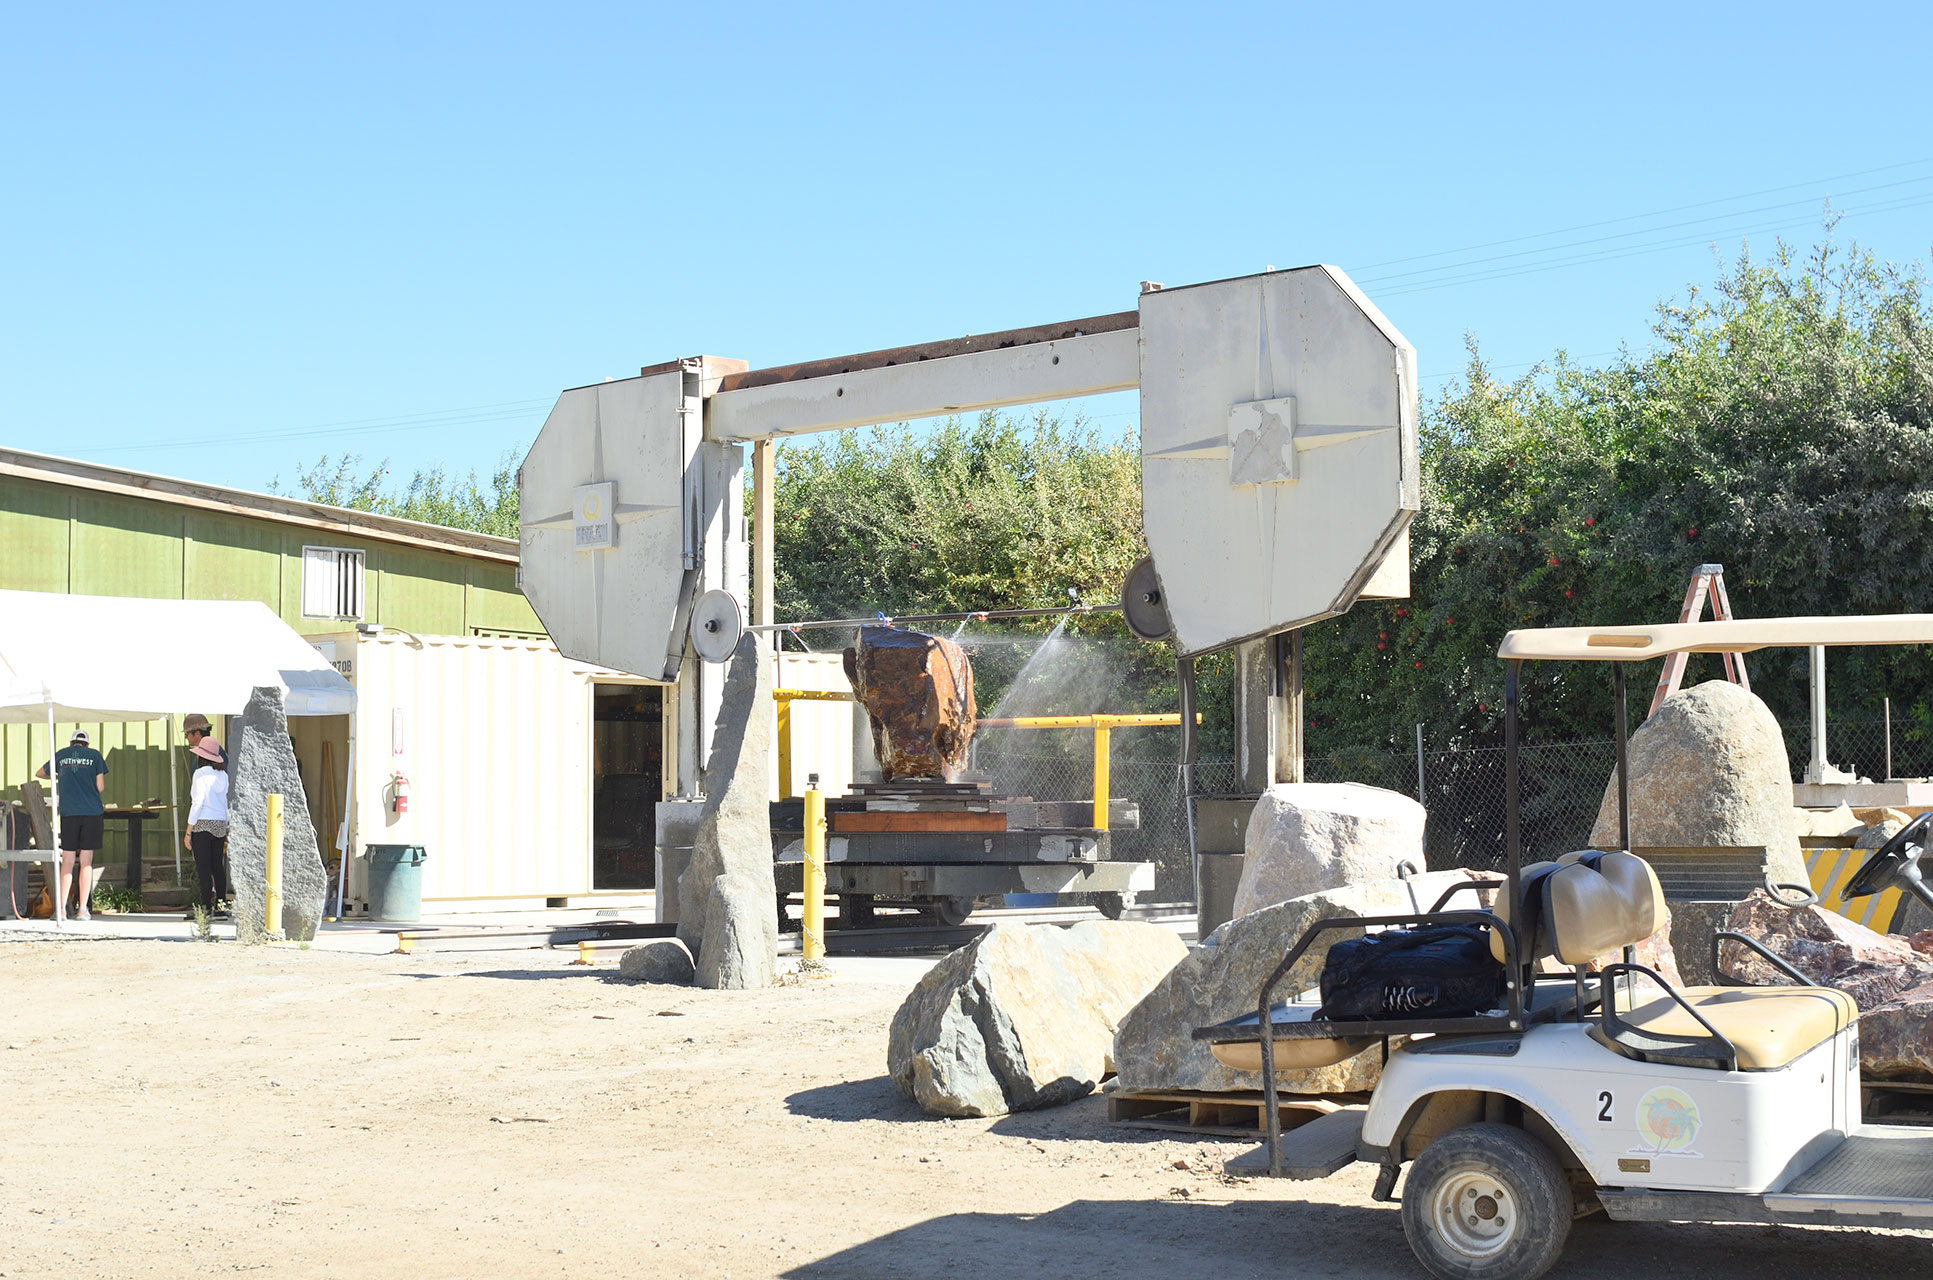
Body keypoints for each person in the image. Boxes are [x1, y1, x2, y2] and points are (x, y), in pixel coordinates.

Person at [36, 729, 108, 922]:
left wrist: (62, 775)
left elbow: (40, 773)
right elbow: (100, 787)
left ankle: (60, 910)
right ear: (87, 744)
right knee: (86, 861)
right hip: (92, 812)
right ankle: (82, 909)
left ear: (71, 743)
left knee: (67, 860)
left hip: (69, 813)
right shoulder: (95, 756)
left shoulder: (62, 755)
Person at [184, 737, 230, 916]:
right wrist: (226, 825)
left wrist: (189, 831)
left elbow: (197, 803)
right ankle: (221, 906)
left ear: (202, 756)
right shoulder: (223, 775)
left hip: (202, 823)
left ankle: (205, 907)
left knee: (203, 867)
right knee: (217, 866)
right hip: (220, 823)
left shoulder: (200, 774)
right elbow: (224, 802)